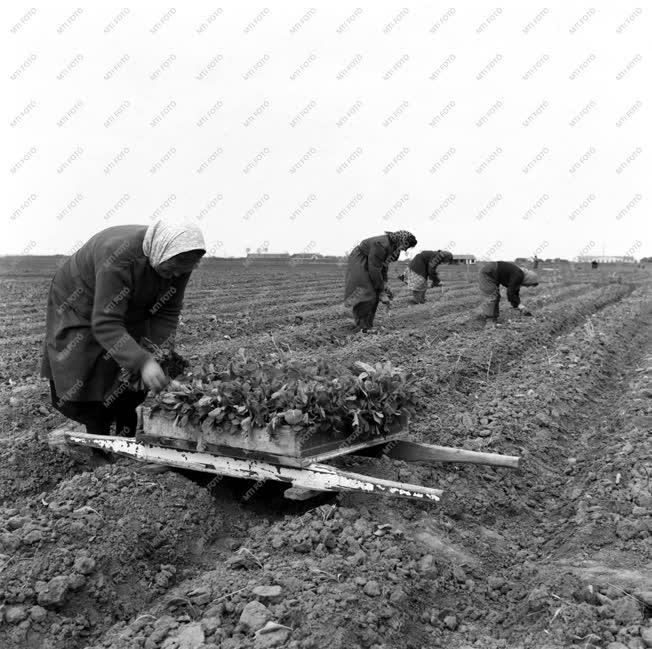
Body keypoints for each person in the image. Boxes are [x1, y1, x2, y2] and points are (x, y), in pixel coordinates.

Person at [41, 219, 206, 437]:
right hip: (81, 301)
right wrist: (144, 361)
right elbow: (106, 323)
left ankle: (126, 435)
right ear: (161, 252)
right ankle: (98, 444)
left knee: (130, 362)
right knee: (89, 369)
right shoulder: (119, 258)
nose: (176, 276)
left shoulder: (180, 259)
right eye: (172, 270)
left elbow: (167, 311)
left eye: (181, 272)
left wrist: (157, 353)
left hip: (130, 305)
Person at [344, 230, 417, 332]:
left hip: (372, 263)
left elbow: (384, 266)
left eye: (407, 247)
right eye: (406, 246)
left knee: (374, 294)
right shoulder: (381, 245)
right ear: (401, 240)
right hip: (361, 260)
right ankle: (361, 326)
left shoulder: (393, 246)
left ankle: (367, 325)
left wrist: (385, 283)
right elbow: (374, 268)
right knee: (367, 292)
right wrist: (381, 291)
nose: (405, 249)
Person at [478, 261, 539, 325]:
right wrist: (518, 305)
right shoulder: (519, 275)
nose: (527, 286)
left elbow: (515, 291)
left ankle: (494, 317)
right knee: (491, 295)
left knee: (496, 296)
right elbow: (510, 292)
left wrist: (518, 305)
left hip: (493, 273)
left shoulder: (519, 275)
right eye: (529, 285)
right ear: (528, 280)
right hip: (489, 273)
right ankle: (489, 321)